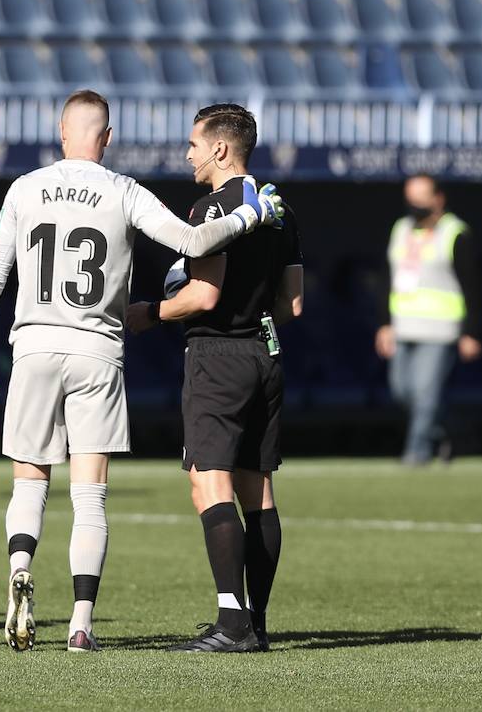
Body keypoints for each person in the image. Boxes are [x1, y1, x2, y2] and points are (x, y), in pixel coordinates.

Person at [0, 91, 283, 653]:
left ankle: (21, 566)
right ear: (106, 138)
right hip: (97, 351)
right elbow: (196, 240)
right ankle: (81, 623)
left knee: (30, 478)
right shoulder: (124, 190)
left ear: (61, 133)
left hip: (33, 345)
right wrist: (252, 212)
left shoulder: (24, 188)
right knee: (91, 496)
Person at [127, 104, 304, 654]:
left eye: (194, 144)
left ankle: (231, 623)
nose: (189, 154)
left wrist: (151, 312)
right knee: (260, 491)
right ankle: (257, 621)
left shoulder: (213, 209)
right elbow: (292, 303)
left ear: (222, 149)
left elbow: (203, 296)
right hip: (264, 353)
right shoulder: (281, 210)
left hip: (218, 356)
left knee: (210, 481)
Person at [375, 174, 482, 465]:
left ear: (438, 199)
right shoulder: (402, 229)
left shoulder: (455, 232)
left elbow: (472, 286)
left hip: (441, 328)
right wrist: (384, 323)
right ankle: (448, 431)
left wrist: (471, 332)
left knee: (425, 392)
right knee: (402, 391)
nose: (415, 204)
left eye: (421, 197)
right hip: (403, 325)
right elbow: (388, 278)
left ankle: (416, 453)